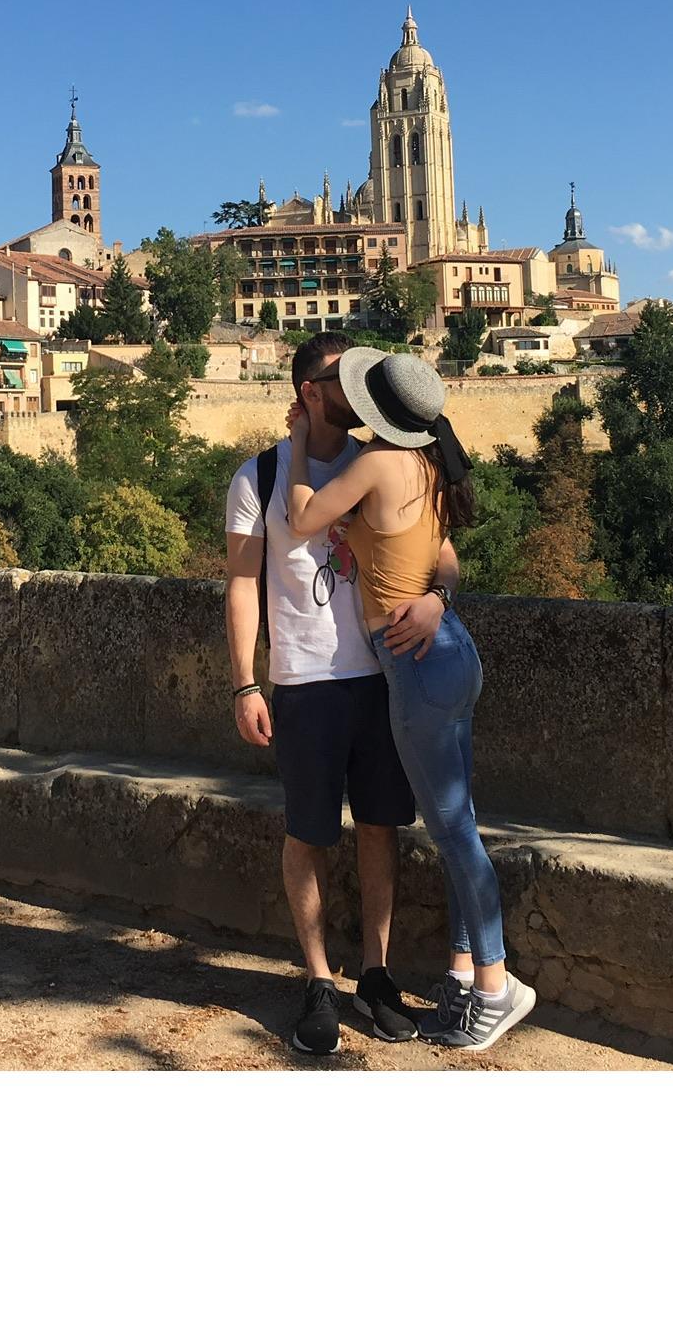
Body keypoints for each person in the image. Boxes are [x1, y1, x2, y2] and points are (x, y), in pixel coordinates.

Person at [284, 346, 535, 1054]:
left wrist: (301, 441)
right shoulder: (428, 461)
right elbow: (442, 556)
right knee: (461, 825)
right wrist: (433, 596)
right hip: (449, 647)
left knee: (454, 832)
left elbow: (302, 517)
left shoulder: (373, 462)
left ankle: (494, 984)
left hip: (413, 666)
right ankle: (462, 971)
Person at [224, 330, 461, 1056]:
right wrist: (244, 680)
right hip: (302, 682)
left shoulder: (382, 460)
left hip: (385, 675)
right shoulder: (257, 477)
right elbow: (241, 581)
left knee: (381, 828)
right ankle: (320, 980)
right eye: (341, 378)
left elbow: (443, 558)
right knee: (308, 834)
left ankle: (377, 975)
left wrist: (438, 602)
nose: (358, 391)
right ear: (310, 392)